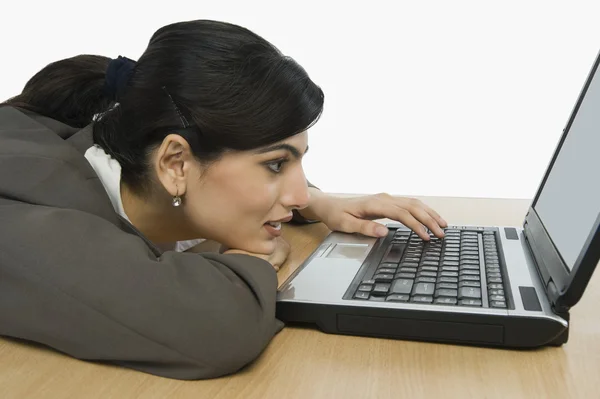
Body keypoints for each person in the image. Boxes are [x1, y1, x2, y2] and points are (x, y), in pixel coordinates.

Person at [0, 19, 447, 380]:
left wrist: (319, 204)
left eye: (298, 164)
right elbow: (210, 328)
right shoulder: (26, 212)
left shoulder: (137, 168)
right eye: (276, 164)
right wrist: (254, 262)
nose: (296, 192)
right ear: (176, 163)